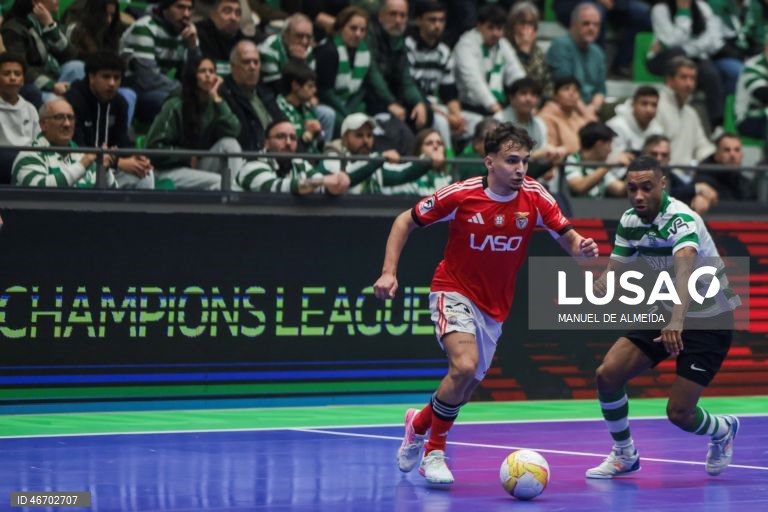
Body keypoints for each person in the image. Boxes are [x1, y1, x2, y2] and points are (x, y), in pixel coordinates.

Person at [374, 123, 600, 485]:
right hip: (453, 289)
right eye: (512, 161)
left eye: (525, 161)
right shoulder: (462, 195)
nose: (521, 169)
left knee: (462, 387)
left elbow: (569, 240)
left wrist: (582, 249)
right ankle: (434, 451)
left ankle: (417, 424)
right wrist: (389, 272)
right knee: (463, 368)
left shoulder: (536, 196)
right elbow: (406, 221)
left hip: (495, 308)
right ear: (489, 161)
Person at [585, 155, 740, 479]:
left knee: (679, 413)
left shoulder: (681, 219)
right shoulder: (630, 221)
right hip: (666, 308)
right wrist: (600, 286)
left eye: (646, 187)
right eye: (632, 189)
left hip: (710, 316)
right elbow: (616, 270)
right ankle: (625, 454)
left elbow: (684, 271)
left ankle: (722, 429)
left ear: (662, 184)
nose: (639, 196)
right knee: (607, 374)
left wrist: (677, 322)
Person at [145, 55, 242, 190]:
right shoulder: (175, 104)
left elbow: (234, 130)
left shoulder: (215, 103)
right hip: (170, 170)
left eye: (212, 71)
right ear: (193, 76)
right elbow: (154, 147)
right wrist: (186, 156)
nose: (208, 75)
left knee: (230, 143)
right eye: (202, 71)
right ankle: (234, 198)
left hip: (198, 164)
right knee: (221, 181)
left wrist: (216, 97)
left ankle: (236, 192)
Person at [66, 51, 154, 189]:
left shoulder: (120, 103)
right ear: (91, 77)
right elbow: (77, 148)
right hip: (79, 168)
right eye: (106, 77)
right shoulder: (74, 101)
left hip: (109, 167)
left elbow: (122, 142)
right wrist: (117, 163)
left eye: (116, 77)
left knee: (145, 173)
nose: (112, 83)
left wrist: (135, 158)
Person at [120, 0, 201, 123]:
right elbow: (148, 79)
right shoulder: (144, 28)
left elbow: (194, 74)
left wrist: (193, 48)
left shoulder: (187, 34)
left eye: (190, 9)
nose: (186, 14)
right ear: (165, 8)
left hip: (164, 89)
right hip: (135, 90)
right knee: (174, 102)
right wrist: (186, 91)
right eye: (180, 7)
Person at [12, 98, 116, 187]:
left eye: (70, 118)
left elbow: (113, 196)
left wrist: (104, 170)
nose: (67, 124)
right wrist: (82, 165)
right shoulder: (29, 154)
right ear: (43, 124)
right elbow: (40, 190)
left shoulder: (81, 155)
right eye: (59, 117)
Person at [235, 119, 349, 194]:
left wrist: (336, 184)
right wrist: (323, 181)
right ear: (266, 142)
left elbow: (321, 188)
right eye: (281, 137)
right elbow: (276, 188)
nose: (288, 143)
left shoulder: (300, 164)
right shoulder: (252, 165)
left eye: (293, 138)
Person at [546, 2, 606, 121]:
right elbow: (566, 89)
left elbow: (600, 91)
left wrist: (592, 109)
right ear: (573, 24)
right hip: (565, 107)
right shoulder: (561, 46)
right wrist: (587, 116)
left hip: (590, 109)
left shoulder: (598, 52)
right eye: (586, 24)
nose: (591, 28)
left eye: (596, 25)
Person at [220, 40, 282, 152]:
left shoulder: (266, 93)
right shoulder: (224, 93)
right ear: (233, 67)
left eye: (256, 62)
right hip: (247, 156)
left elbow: (281, 123)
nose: (252, 67)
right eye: (246, 62)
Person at [0, 52, 39, 184]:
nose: (12, 78)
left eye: (17, 74)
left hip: (28, 163)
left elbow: (38, 142)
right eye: (7, 74)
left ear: (23, 80)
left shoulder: (30, 109)